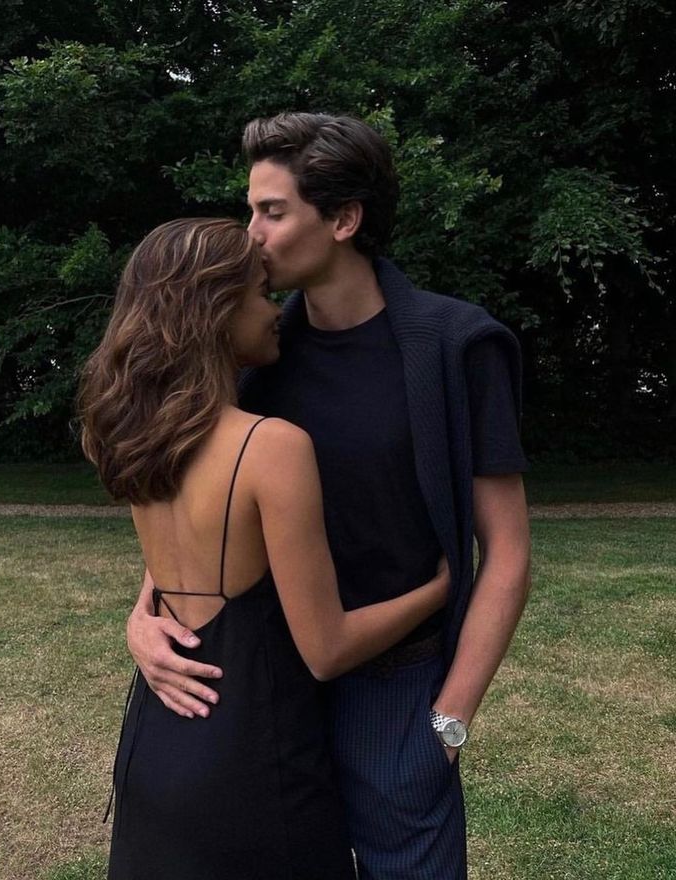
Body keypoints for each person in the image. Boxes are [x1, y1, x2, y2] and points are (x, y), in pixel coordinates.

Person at [127, 114, 532, 880]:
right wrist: (142, 614)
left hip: (397, 694)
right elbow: (198, 508)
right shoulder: (254, 355)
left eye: (272, 213)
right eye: (250, 210)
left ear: (344, 219)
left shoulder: (455, 348)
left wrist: (448, 720)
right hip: (267, 694)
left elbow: (507, 551)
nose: (250, 235)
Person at [79, 217, 451, 879]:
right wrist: (441, 584)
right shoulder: (269, 447)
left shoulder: (132, 434)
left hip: (156, 737)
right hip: (254, 761)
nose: (274, 309)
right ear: (214, 312)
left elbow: (172, 574)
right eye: (257, 294)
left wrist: (138, 619)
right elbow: (327, 646)